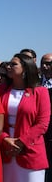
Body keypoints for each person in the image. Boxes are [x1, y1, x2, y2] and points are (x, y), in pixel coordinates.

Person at [0, 53, 50, 182]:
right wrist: (5, 139)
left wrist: (20, 142)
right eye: (9, 64)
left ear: (26, 68)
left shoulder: (40, 92)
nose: (9, 67)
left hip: (30, 150)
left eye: (14, 64)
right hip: (6, 150)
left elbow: (42, 123)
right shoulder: (2, 90)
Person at [40, 53, 52, 182]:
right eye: (43, 63)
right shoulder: (34, 83)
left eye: (49, 64)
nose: (44, 66)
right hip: (40, 138)